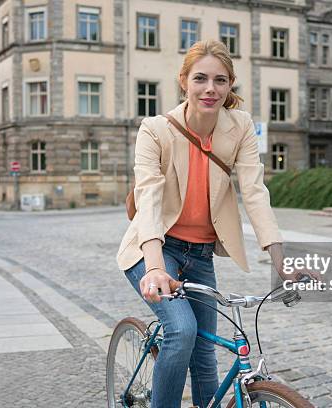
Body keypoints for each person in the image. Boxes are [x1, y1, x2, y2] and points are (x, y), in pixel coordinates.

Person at [116, 39, 295, 408]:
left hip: (200, 256)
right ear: (184, 81)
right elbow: (148, 198)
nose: (210, 89)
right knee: (182, 331)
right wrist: (153, 268)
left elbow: (255, 191)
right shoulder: (154, 130)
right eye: (200, 78)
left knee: (204, 353)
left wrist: (281, 261)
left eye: (220, 80)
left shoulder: (240, 126)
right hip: (154, 249)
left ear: (230, 85)